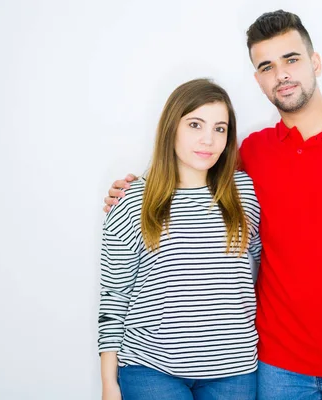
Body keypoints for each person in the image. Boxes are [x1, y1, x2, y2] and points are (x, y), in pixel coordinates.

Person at [103, 10, 322, 400]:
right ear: (258, 80)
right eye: (266, 66)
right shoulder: (253, 152)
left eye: (291, 59)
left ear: (315, 62)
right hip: (276, 368)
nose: (281, 74)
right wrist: (138, 188)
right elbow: (195, 173)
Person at [98, 78, 262, 400]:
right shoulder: (132, 201)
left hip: (234, 370)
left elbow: (273, 264)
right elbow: (115, 295)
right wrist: (108, 384)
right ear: (171, 128)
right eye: (195, 124)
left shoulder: (244, 192)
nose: (208, 139)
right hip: (151, 369)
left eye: (220, 128)